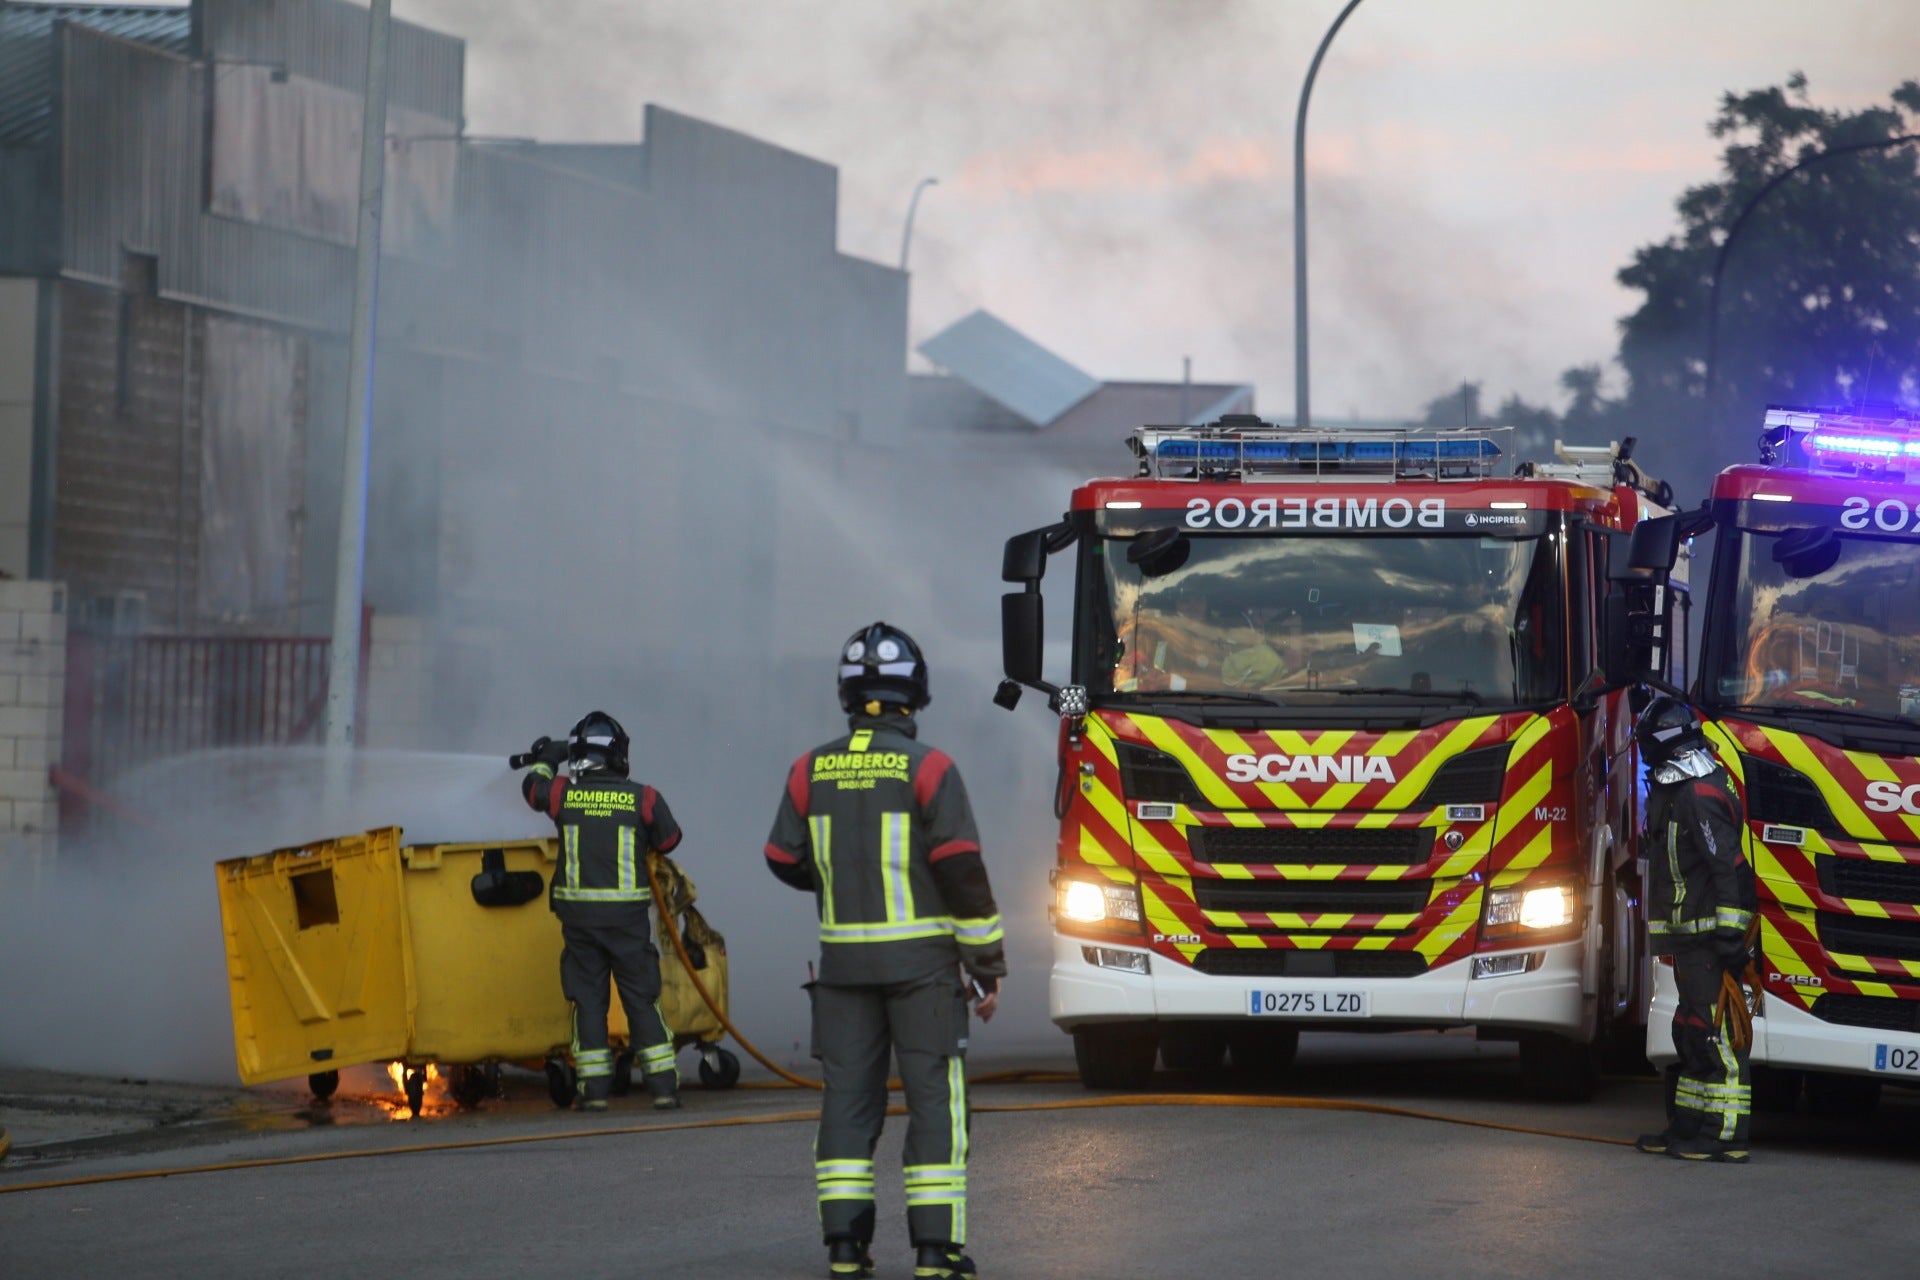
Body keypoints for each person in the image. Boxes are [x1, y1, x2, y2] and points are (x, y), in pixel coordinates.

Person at [764, 622, 1006, 1280]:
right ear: (915, 695)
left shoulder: (809, 768)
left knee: (846, 1104)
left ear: (847, 693)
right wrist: (986, 968)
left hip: (843, 970)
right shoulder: (929, 768)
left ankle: (845, 1248)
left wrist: (840, 872)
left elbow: (781, 856)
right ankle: (936, 1253)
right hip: (924, 974)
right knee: (936, 1104)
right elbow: (961, 869)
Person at [520, 710, 685, 1112]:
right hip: (628, 924)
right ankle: (663, 1088)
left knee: (589, 1002)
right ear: (617, 755)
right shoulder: (643, 797)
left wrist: (548, 756)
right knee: (641, 1001)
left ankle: (594, 1094)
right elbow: (670, 840)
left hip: (579, 924)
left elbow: (531, 788)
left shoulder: (562, 794)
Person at [1633, 696, 1758, 1163]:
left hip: (1708, 939)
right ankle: (1688, 1125)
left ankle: (1725, 1135)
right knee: (1690, 1031)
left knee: (1715, 1035)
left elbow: (1729, 870)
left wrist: (1730, 938)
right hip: (1687, 939)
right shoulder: (1674, 789)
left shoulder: (1699, 794)